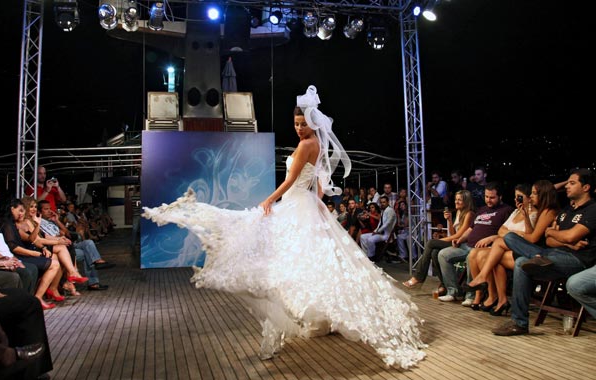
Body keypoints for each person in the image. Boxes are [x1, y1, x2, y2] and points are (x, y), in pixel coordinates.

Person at [142, 85, 426, 369]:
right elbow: (316, 178)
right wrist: (316, 199)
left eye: (303, 124)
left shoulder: (306, 145)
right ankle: (318, 318)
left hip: (296, 203)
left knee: (285, 256)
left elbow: (291, 181)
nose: (299, 128)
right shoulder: (316, 144)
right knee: (307, 261)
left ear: (313, 123)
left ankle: (308, 316)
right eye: (296, 124)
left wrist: (268, 199)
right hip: (305, 204)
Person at [492, 168, 596, 336]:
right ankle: (519, 323)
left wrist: (553, 233)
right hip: (554, 255)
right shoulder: (567, 211)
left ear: (586, 187)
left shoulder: (592, 209)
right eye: (567, 183)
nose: (567, 186)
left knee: (521, 261)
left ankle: (519, 321)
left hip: (578, 261)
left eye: (572, 183)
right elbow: (550, 240)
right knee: (512, 241)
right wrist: (560, 238)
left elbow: (570, 236)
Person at [464, 180, 558, 315]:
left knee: (495, 252)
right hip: (510, 248)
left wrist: (513, 235)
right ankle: (499, 298)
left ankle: (487, 283)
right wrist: (514, 234)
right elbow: (501, 231)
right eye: (516, 196)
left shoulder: (543, 212)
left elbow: (532, 238)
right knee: (483, 253)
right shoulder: (516, 212)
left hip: (530, 253)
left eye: (531, 194)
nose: (530, 197)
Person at [436, 182, 513, 303]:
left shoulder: (506, 210)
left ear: (500, 197)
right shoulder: (482, 210)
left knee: (470, 257)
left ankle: (471, 295)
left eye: (492, 197)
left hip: (484, 249)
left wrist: (491, 238)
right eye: (486, 197)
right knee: (443, 254)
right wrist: (460, 239)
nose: (488, 200)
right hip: (466, 245)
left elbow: (508, 233)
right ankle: (453, 291)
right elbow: (470, 229)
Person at [402, 190, 475, 292]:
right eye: (456, 199)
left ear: (466, 201)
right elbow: (453, 233)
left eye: (460, 200)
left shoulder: (469, 214)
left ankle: (418, 277)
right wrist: (449, 220)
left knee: (431, 243)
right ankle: (444, 284)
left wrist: (441, 240)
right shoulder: (459, 212)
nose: (456, 202)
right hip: (455, 241)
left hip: (462, 244)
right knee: (434, 252)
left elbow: (459, 236)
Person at [359, 196, 397, 261]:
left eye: (384, 202)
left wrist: (378, 231)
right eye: (381, 202)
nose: (382, 204)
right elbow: (380, 223)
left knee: (370, 240)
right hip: (380, 232)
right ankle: (366, 254)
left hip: (386, 234)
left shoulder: (390, 211)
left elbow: (386, 224)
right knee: (362, 236)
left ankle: (371, 257)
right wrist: (375, 230)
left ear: (388, 202)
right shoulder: (383, 210)